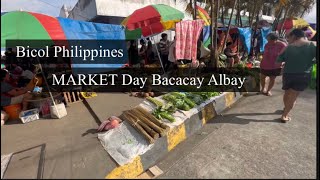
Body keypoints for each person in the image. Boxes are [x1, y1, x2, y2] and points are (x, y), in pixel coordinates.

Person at [276, 29, 316, 123]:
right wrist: (311, 61)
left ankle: (286, 108)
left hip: (288, 74)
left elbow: (278, 61)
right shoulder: (313, 45)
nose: (287, 39)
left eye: (288, 37)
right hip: (303, 75)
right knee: (293, 96)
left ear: (294, 36)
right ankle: (284, 115)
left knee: (287, 92)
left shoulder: (289, 47)